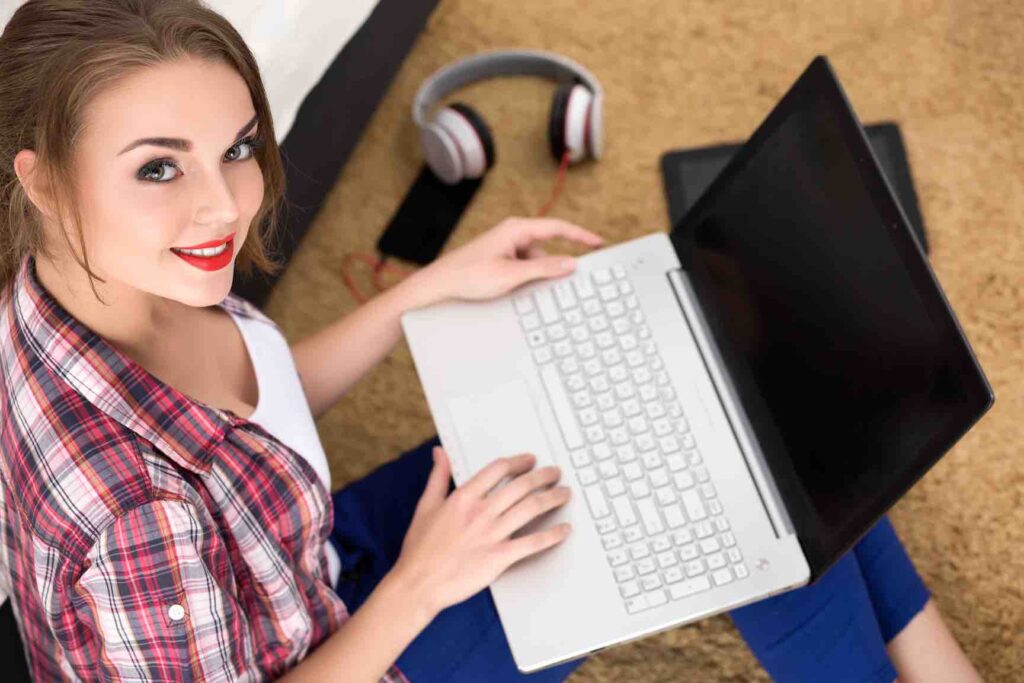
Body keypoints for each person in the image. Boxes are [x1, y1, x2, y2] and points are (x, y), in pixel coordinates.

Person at [0, 1, 982, 681]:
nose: (223, 204)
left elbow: (255, 399)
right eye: (158, 170)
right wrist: (426, 578)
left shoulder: (96, 278)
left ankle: (933, 653)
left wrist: (429, 287)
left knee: (714, 389)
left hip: (298, 559)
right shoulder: (134, 517)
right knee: (728, 506)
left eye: (239, 147)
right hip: (341, 649)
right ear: (39, 179)